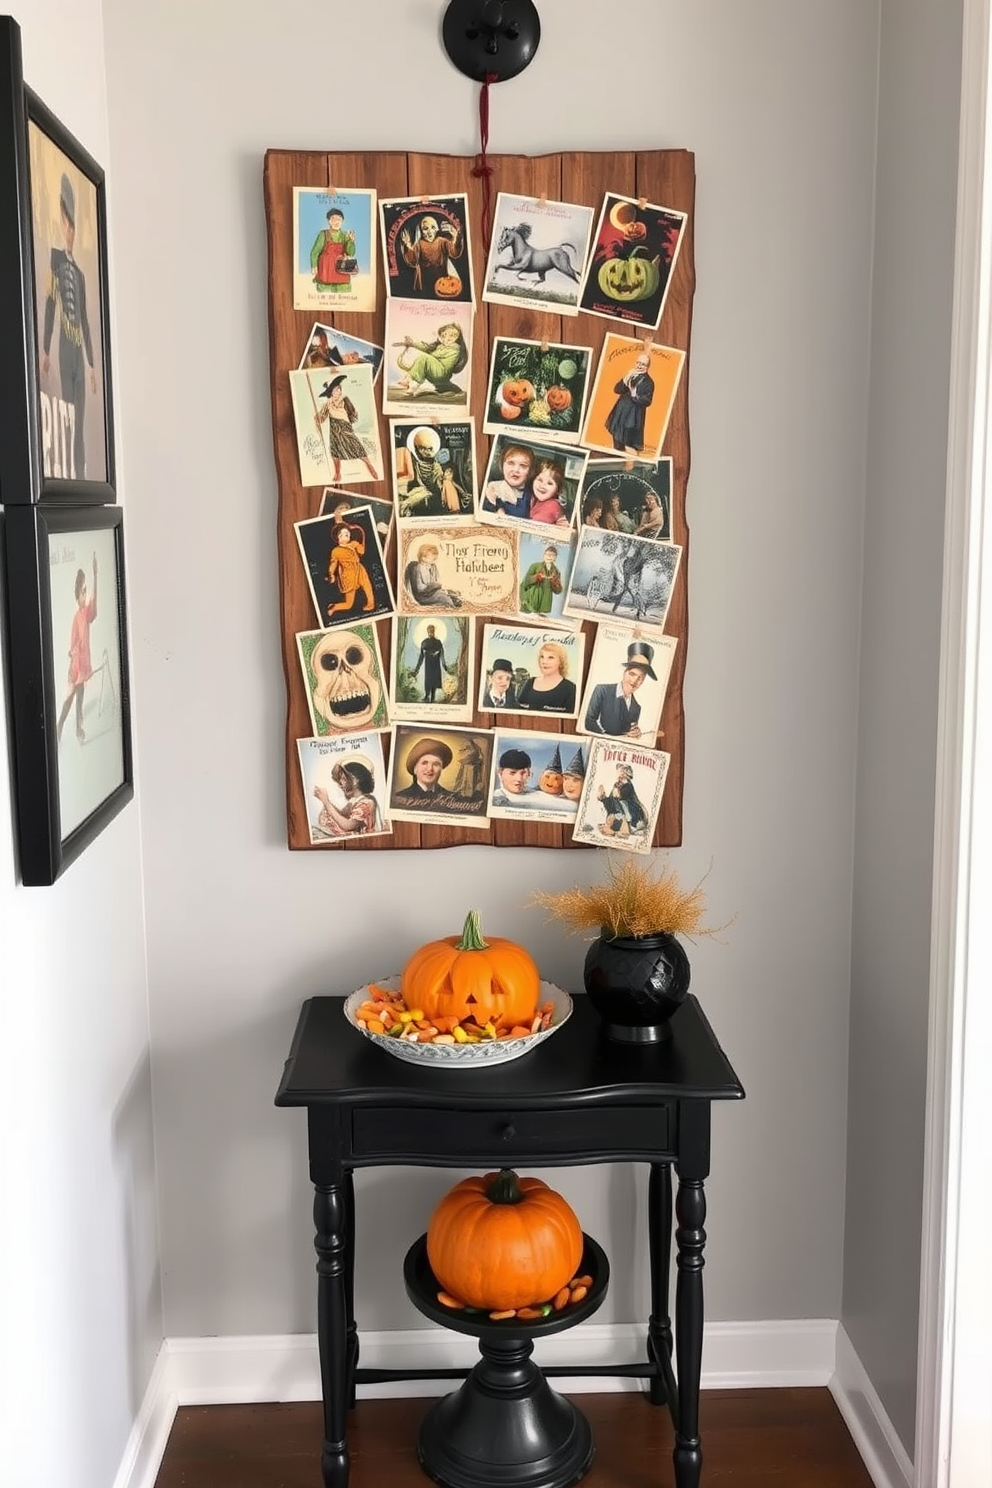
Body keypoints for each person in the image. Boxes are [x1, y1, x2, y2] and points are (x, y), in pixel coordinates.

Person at [41, 173, 97, 480]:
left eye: (72, 225)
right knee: (69, 414)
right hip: (64, 343)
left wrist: (91, 364)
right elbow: (50, 302)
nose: (69, 230)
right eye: (66, 223)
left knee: (82, 414)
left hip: (78, 347)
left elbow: (86, 320)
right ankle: (70, 475)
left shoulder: (82, 275)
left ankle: (79, 472)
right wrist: (46, 348)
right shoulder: (55, 261)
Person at [56, 551, 97, 745]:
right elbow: (71, 646)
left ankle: (79, 732)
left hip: (83, 669)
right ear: (77, 594)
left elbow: (93, 608)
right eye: (83, 591)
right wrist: (72, 652)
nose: (85, 594)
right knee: (69, 700)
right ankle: (59, 726)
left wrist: (95, 575)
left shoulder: (86, 612)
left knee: (79, 702)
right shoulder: (76, 618)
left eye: (86, 590)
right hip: (75, 669)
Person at [583, 641, 658, 738]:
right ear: (624, 672)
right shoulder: (602, 690)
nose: (635, 681)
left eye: (640, 678)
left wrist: (635, 733)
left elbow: (629, 732)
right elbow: (589, 721)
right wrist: (605, 737)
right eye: (632, 674)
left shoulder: (636, 707)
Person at [316, 374, 379, 481]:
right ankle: (337, 474)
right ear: (330, 392)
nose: (338, 392)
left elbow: (354, 416)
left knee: (357, 448)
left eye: (339, 389)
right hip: (334, 431)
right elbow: (322, 418)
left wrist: (350, 417)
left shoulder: (345, 400)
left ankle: (371, 468)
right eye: (335, 390)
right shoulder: (327, 404)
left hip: (345, 429)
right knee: (335, 452)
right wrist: (318, 417)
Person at [400, 428, 465, 516]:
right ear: (416, 449)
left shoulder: (436, 465)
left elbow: (439, 480)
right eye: (422, 448)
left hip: (436, 495)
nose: (426, 452)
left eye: (429, 449)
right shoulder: (414, 463)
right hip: (421, 490)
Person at [394, 321, 468, 396]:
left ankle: (414, 384)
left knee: (424, 358)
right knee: (423, 358)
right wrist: (412, 344)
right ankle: (409, 379)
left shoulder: (454, 349)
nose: (445, 338)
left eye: (450, 336)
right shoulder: (441, 346)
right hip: (436, 372)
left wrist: (429, 353)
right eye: (443, 335)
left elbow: (432, 354)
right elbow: (427, 348)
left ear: (456, 337)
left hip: (442, 372)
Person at [313, 757, 382, 836]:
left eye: (343, 779)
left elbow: (348, 826)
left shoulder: (367, 803)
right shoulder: (354, 801)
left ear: (355, 780)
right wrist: (326, 801)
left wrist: (327, 802)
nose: (340, 784)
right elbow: (342, 814)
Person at [399, 213, 464, 295]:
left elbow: (455, 253)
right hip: (424, 280)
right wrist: (408, 245)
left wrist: (455, 237)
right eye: (425, 228)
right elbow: (413, 261)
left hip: (441, 280)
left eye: (433, 227)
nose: (429, 231)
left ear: (436, 229)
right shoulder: (419, 244)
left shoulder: (442, 241)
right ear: (421, 231)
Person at [605, 351, 655, 455]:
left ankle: (629, 467)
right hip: (620, 414)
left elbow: (648, 401)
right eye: (638, 363)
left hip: (633, 418)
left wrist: (635, 396)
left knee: (629, 445)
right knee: (617, 442)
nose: (640, 366)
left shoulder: (649, 382)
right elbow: (617, 390)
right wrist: (626, 377)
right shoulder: (631, 375)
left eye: (643, 364)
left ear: (647, 366)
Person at [326, 523, 375, 617]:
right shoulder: (336, 551)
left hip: (359, 569)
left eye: (348, 533)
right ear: (339, 537)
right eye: (344, 534)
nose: (348, 535)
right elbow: (333, 564)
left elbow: (362, 551)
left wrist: (359, 544)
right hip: (348, 576)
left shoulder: (353, 544)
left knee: (367, 585)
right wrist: (331, 574)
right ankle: (334, 607)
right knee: (349, 605)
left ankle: (371, 604)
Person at [515, 641, 576, 714]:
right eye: (542, 657)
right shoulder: (530, 682)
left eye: (550, 657)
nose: (544, 661)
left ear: (561, 662)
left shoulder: (570, 689)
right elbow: (518, 710)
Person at [392, 737, 454, 807]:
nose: (430, 769)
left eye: (436, 764)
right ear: (415, 769)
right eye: (424, 763)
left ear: (441, 768)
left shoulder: (452, 799)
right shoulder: (399, 799)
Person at [481, 443, 534, 521]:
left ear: (530, 471)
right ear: (502, 465)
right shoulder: (492, 489)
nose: (516, 470)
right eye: (511, 463)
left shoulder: (533, 495)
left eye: (523, 466)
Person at [310, 207, 356, 294]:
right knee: (324, 291)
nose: (336, 222)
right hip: (326, 270)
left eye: (339, 219)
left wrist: (351, 241)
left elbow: (351, 253)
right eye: (333, 219)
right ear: (329, 221)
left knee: (343, 292)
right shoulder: (323, 234)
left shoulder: (345, 235)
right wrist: (314, 266)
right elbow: (315, 252)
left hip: (341, 269)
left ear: (342, 221)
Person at [404, 542, 462, 608]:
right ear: (423, 557)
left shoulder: (432, 567)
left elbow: (436, 580)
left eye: (435, 557)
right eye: (432, 556)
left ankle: (453, 600)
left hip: (432, 592)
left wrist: (439, 587)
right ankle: (451, 604)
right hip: (424, 596)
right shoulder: (417, 568)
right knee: (443, 597)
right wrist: (435, 586)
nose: (434, 559)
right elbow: (420, 589)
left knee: (448, 593)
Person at [598, 763, 649, 836]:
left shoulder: (628, 786)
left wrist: (619, 794)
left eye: (621, 775)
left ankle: (631, 827)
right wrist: (604, 798)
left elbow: (623, 796)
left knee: (625, 816)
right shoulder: (616, 786)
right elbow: (612, 800)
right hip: (618, 812)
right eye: (619, 774)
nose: (619, 777)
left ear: (626, 775)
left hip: (629, 809)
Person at [519, 545, 563, 617]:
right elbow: (525, 582)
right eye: (547, 554)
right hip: (532, 600)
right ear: (544, 555)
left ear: (555, 557)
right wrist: (537, 577)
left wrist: (555, 583)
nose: (549, 557)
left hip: (543, 605)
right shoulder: (535, 566)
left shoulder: (556, 571)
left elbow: (558, 591)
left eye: (552, 555)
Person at [412, 624, 452, 703]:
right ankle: (427, 696)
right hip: (428, 665)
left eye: (432, 631)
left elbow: (442, 656)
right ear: (427, 632)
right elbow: (421, 657)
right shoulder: (424, 642)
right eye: (429, 631)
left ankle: (432, 698)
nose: (430, 633)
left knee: (434, 681)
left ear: (434, 631)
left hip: (435, 665)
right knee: (428, 680)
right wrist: (416, 670)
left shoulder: (438, 642)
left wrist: (445, 667)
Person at [527, 458, 570, 526]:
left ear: (557, 490)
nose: (542, 486)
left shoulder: (552, 506)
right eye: (540, 480)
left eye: (549, 483)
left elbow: (533, 526)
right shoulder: (533, 499)